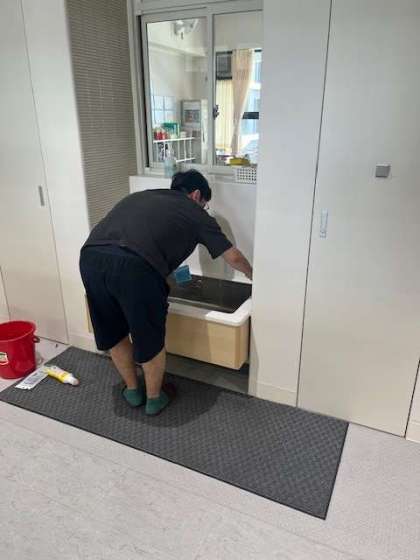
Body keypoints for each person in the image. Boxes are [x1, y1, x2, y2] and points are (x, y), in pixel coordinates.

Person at [79, 169, 252, 415]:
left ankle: (132, 390)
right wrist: (254, 275)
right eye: (204, 204)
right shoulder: (194, 212)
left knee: (113, 332)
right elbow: (233, 257)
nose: (204, 208)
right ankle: (154, 398)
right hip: (134, 267)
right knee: (149, 335)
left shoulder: (142, 196)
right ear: (196, 195)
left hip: (91, 258)